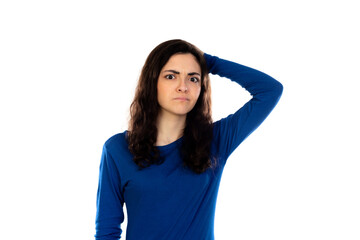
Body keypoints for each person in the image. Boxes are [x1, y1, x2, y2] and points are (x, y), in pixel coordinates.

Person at [94, 39, 283, 240]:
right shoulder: (117, 149)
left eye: (193, 79)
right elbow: (107, 231)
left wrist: (210, 62)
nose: (183, 87)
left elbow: (270, 90)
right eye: (171, 76)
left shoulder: (215, 141)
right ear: (152, 82)